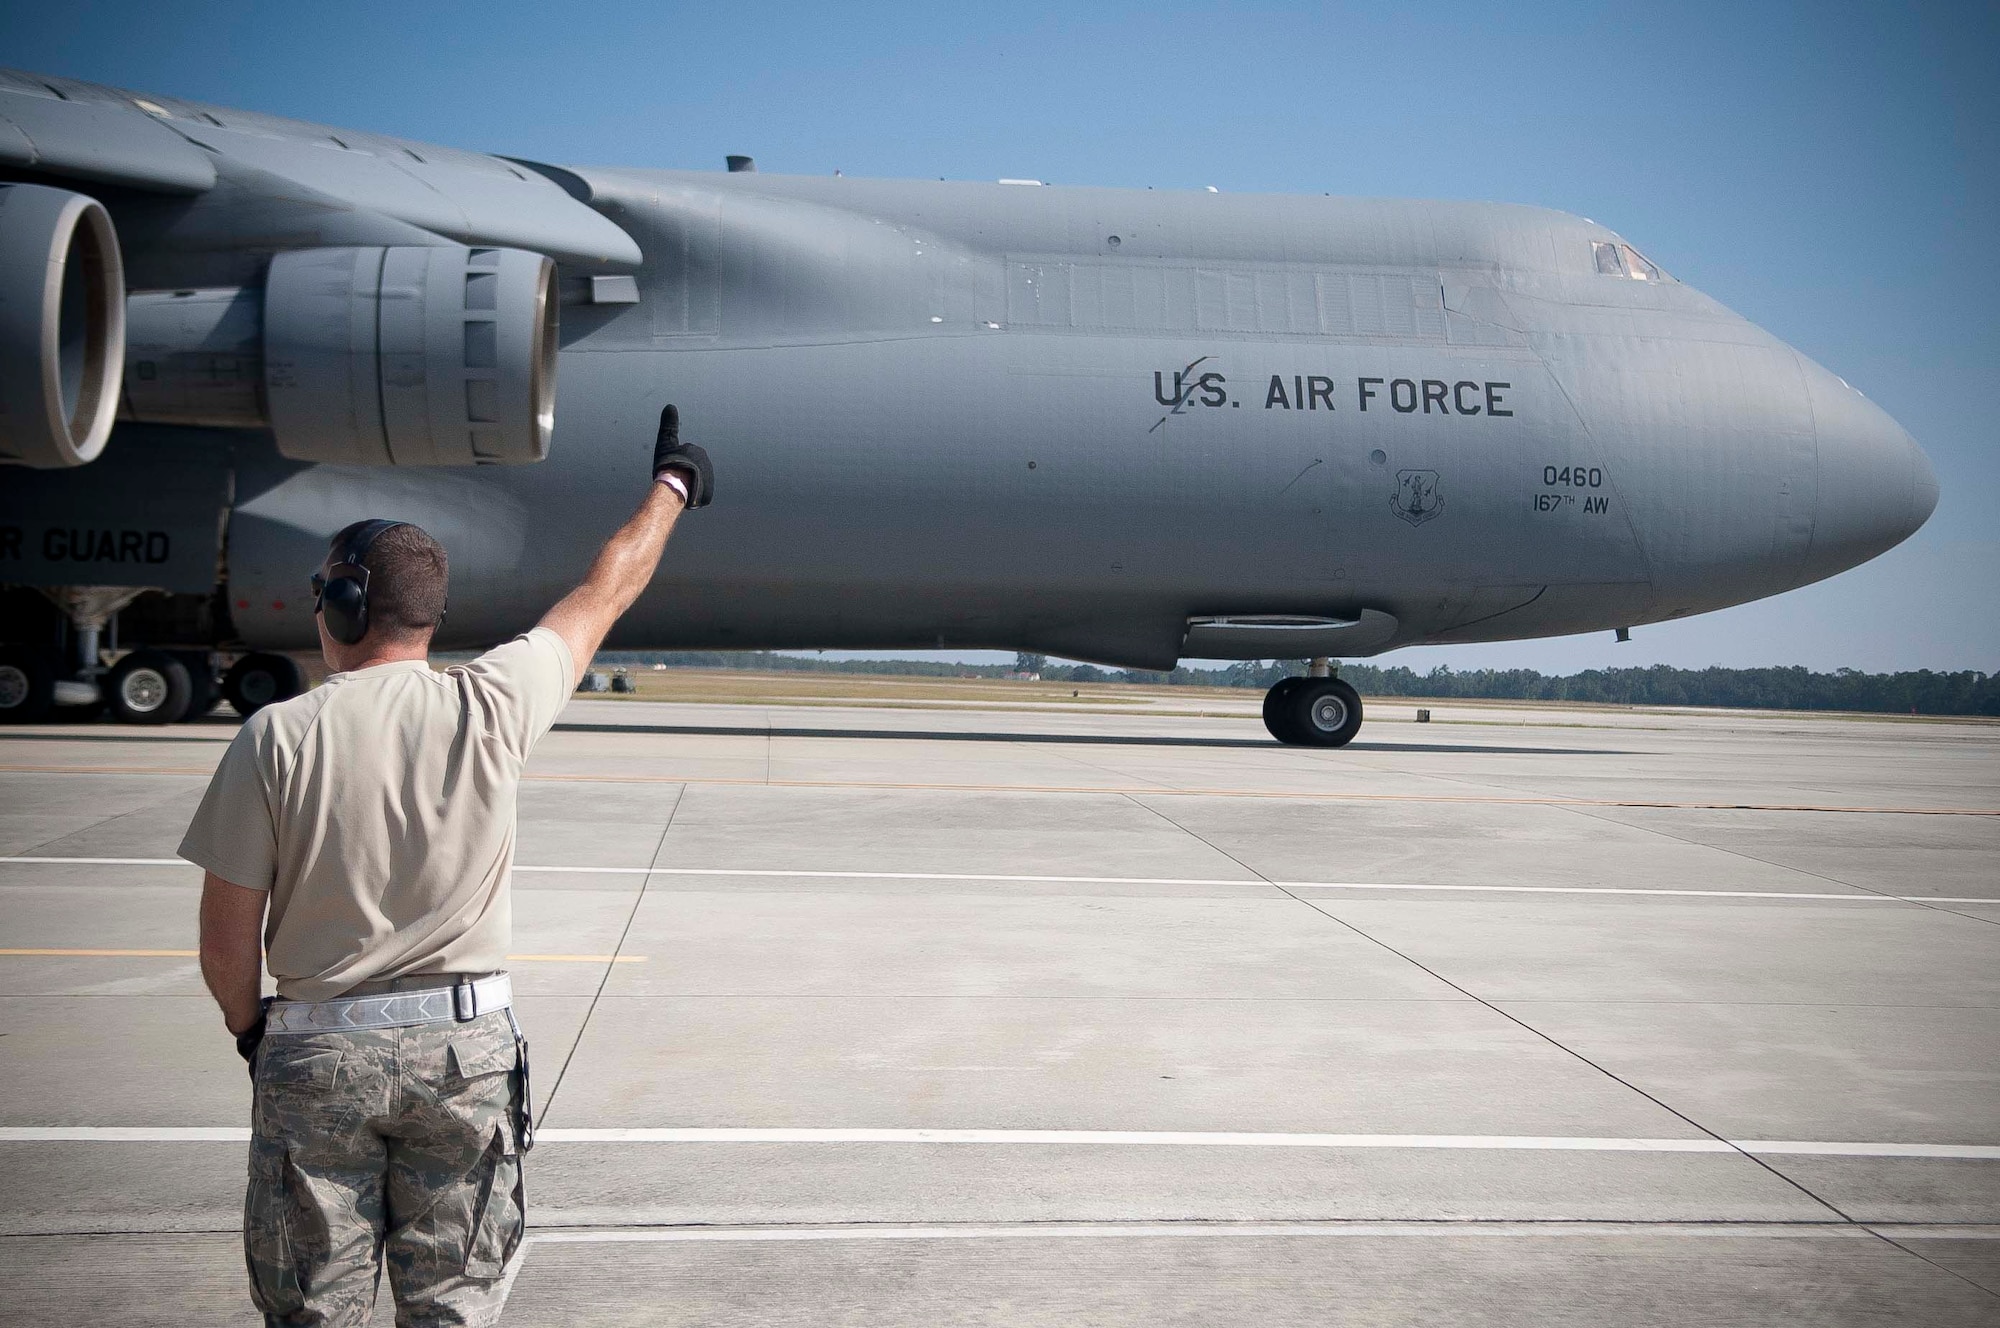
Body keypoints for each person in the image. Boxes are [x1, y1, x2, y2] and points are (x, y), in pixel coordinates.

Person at [183, 406, 712, 1326]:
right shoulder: (496, 702)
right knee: (455, 1310)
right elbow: (603, 593)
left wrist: (248, 1030)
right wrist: (674, 488)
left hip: (316, 1048)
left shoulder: (277, 734)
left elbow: (225, 928)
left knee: (313, 1312)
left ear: (345, 605)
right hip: (462, 1051)